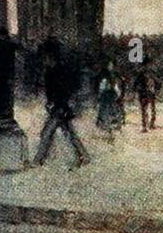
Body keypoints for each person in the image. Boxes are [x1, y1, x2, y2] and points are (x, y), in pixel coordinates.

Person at [34, 38, 89, 168]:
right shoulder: (50, 71)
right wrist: (50, 102)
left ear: (50, 56)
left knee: (47, 133)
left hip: (61, 108)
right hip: (58, 107)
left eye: (45, 57)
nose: (43, 60)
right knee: (69, 133)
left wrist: (59, 104)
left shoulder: (61, 71)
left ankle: (38, 160)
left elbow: (66, 90)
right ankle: (84, 156)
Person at [94, 60, 125, 144]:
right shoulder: (104, 76)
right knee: (105, 112)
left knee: (112, 112)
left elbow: (116, 87)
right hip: (106, 96)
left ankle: (111, 131)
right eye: (109, 65)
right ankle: (109, 131)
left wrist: (118, 95)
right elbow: (102, 86)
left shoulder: (114, 76)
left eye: (111, 65)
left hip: (111, 96)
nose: (111, 67)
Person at [133, 58, 160, 132]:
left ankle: (151, 123)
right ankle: (144, 125)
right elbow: (135, 83)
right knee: (144, 109)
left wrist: (156, 88)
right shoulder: (141, 73)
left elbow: (157, 82)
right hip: (143, 92)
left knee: (151, 109)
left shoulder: (152, 73)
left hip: (150, 92)